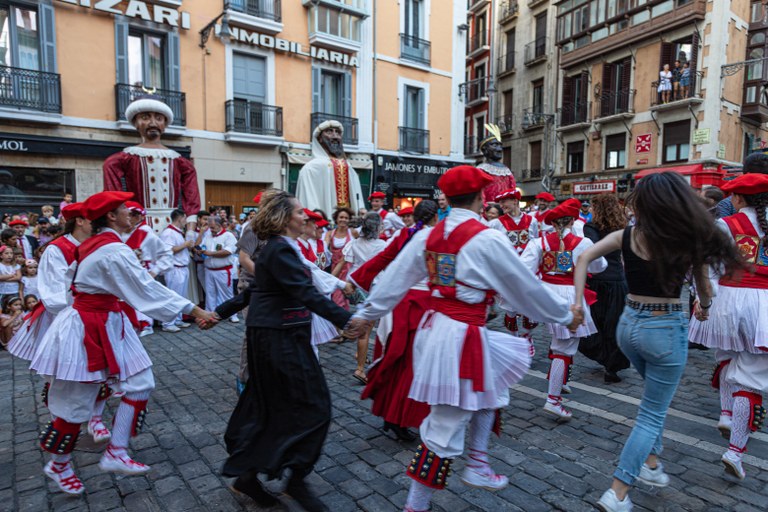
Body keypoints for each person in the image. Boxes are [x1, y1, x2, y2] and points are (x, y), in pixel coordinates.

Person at [347, 166, 583, 512]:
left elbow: (395, 280)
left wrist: (365, 314)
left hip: (438, 331)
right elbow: (523, 287)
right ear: (481, 197)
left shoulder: (428, 236)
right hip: (460, 336)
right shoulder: (485, 238)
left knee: (493, 392)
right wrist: (564, 315)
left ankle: (477, 462)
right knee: (443, 427)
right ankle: (419, 504)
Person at [571, 172, 742, 512]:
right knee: (651, 413)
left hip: (629, 326)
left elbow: (584, 257)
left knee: (653, 399)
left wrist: (577, 301)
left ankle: (651, 464)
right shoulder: (687, 240)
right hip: (664, 329)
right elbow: (704, 287)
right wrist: (704, 307)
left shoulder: (627, 234)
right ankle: (618, 491)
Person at [29, 191, 216, 495]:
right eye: (124, 210)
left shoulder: (99, 245)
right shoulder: (112, 250)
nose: (132, 214)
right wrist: (193, 310)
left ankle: (116, 451)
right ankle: (59, 465)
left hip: (108, 322)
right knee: (75, 406)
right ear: (111, 217)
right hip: (88, 327)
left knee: (141, 383)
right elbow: (145, 290)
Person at [208, 189, 356, 512]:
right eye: (300, 212)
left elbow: (256, 289)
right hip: (280, 339)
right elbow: (304, 291)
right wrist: (346, 319)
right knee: (316, 408)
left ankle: (249, 475)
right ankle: (297, 479)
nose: (306, 216)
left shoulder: (279, 249)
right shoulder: (279, 250)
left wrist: (219, 312)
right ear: (284, 217)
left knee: (274, 407)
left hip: (275, 336)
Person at [687, 174, 768, 480]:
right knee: (751, 376)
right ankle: (735, 451)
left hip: (731, 297)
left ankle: (725, 413)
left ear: (738, 198)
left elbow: (708, 268)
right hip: (764, 302)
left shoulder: (727, 225)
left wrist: (705, 301)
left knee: (726, 353)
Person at [351, 200, 439, 441]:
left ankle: (394, 413)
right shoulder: (435, 237)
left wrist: (357, 279)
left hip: (400, 302)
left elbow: (382, 259)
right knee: (414, 365)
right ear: (435, 217)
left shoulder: (404, 236)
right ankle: (401, 416)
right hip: (422, 306)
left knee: (398, 360)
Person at [520, 198, 608, 421]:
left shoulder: (538, 243)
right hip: (570, 296)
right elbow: (600, 266)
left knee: (559, 344)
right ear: (573, 221)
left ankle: (558, 381)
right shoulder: (583, 243)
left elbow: (524, 270)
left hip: (545, 295)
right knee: (564, 348)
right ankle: (553, 400)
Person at [103, 97, 201, 234]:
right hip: (139, 227)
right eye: (145, 117)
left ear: (164, 125)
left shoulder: (180, 161)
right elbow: (113, 195)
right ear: (136, 123)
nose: (152, 122)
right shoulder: (124, 158)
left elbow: (192, 197)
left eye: (159, 118)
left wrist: (190, 230)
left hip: (173, 227)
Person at [577, 194, 630, 383]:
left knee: (596, 323)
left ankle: (605, 357)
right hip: (618, 280)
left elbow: (591, 252)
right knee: (614, 324)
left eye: (592, 206)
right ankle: (611, 365)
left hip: (599, 280)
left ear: (598, 208)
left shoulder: (591, 227)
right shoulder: (622, 227)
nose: (590, 209)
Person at [488, 189, 539, 341]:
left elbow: (536, 243)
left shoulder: (532, 221)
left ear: (515, 201)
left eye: (505, 201)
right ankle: (515, 339)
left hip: (528, 271)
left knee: (530, 308)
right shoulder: (496, 224)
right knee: (510, 310)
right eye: (500, 202)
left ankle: (527, 337)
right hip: (508, 271)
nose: (501, 205)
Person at [342, 212, 386, 384]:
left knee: (365, 325)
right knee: (366, 330)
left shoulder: (354, 243)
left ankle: (360, 353)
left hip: (358, 285)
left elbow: (349, 262)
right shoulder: (381, 244)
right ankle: (360, 368)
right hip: (374, 286)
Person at [123, 201, 174, 336]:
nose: (129, 218)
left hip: (140, 276)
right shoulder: (114, 234)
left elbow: (166, 254)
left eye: (132, 215)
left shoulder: (145, 234)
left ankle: (145, 324)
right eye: (127, 215)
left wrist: (154, 271)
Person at [295, 120, 364, 217]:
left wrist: (360, 208)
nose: (335, 136)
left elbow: (357, 195)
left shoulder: (348, 166)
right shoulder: (310, 169)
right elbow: (309, 200)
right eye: (329, 132)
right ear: (320, 139)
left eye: (338, 132)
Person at [159, 209, 193, 332]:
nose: (186, 221)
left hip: (182, 268)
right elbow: (168, 250)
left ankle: (177, 319)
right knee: (172, 296)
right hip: (174, 269)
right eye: (185, 219)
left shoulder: (177, 232)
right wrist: (185, 245)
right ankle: (167, 323)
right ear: (180, 218)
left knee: (180, 296)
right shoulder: (169, 232)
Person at [201, 216, 238, 322]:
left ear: (219, 225)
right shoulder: (207, 235)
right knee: (210, 294)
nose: (210, 230)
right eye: (209, 227)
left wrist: (211, 253)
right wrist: (201, 251)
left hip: (223, 270)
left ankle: (232, 314)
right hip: (209, 270)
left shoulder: (228, 236)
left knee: (227, 293)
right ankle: (210, 314)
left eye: (212, 227)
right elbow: (202, 246)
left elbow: (228, 252)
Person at [326, 207, 358, 311]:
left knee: (345, 300)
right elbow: (323, 248)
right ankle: (341, 324)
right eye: (341, 217)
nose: (343, 220)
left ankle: (342, 325)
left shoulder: (353, 233)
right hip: (335, 270)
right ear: (336, 219)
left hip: (349, 270)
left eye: (346, 218)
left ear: (349, 220)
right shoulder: (330, 233)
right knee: (337, 299)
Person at [476, 124, 516, 203]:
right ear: (485, 149)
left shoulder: (507, 171)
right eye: (495, 145)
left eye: (500, 145)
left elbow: (513, 193)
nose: (499, 149)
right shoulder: (480, 171)